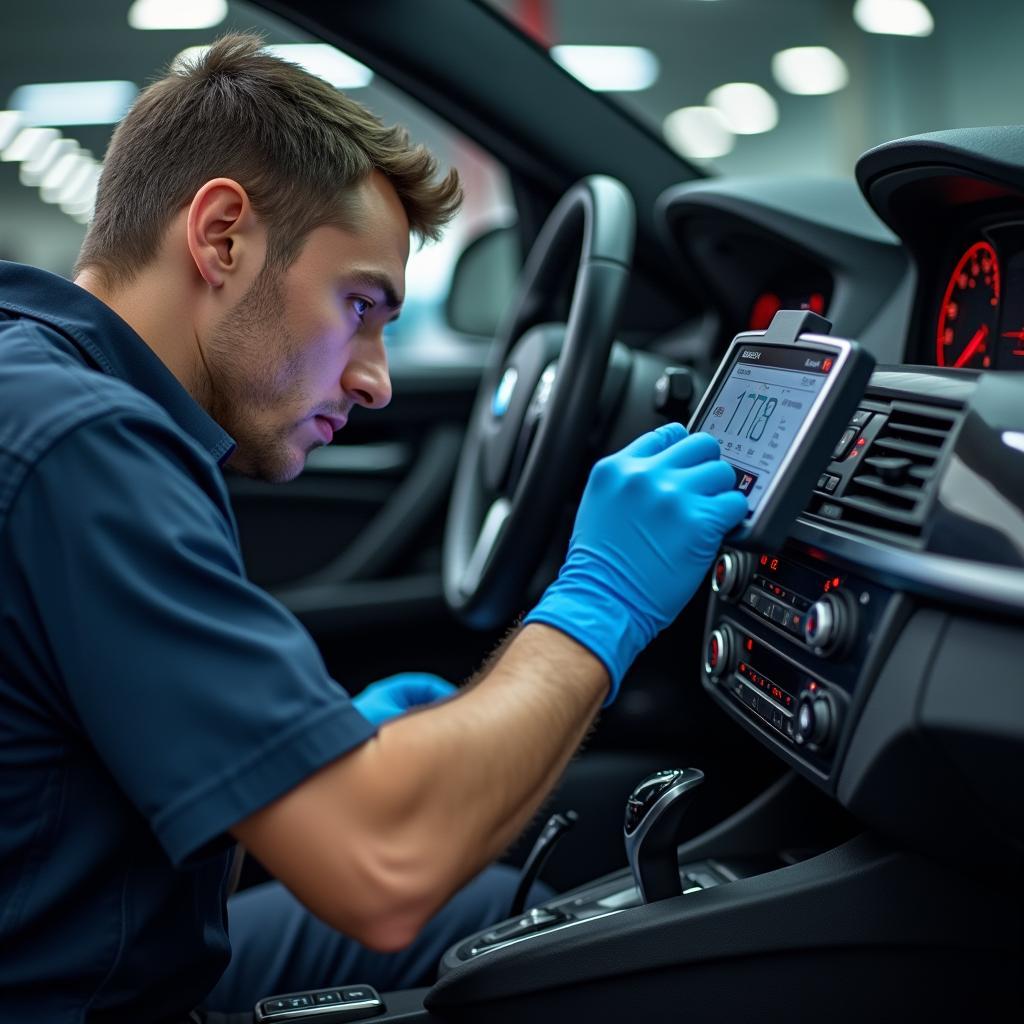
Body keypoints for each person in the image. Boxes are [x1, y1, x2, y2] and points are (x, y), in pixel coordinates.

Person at [0, 34, 747, 1024]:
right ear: (221, 236)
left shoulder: (51, 383)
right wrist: (600, 600)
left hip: (93, 942)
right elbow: (385, 868)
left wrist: (313, 751)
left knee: (504, 914)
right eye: (359, 306)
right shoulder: (83, 445)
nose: (375, 377)